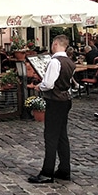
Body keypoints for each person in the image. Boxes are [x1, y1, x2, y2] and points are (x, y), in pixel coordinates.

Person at [28, 34, 75, 184]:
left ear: (55, 44)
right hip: (65, 99)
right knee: (62, 136)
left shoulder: (55, 61)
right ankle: (64, 169)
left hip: (55, 100)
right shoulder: (69, 61)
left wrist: (38, 86)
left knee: (51, 136)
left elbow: (48, 83)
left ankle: (47, 172)